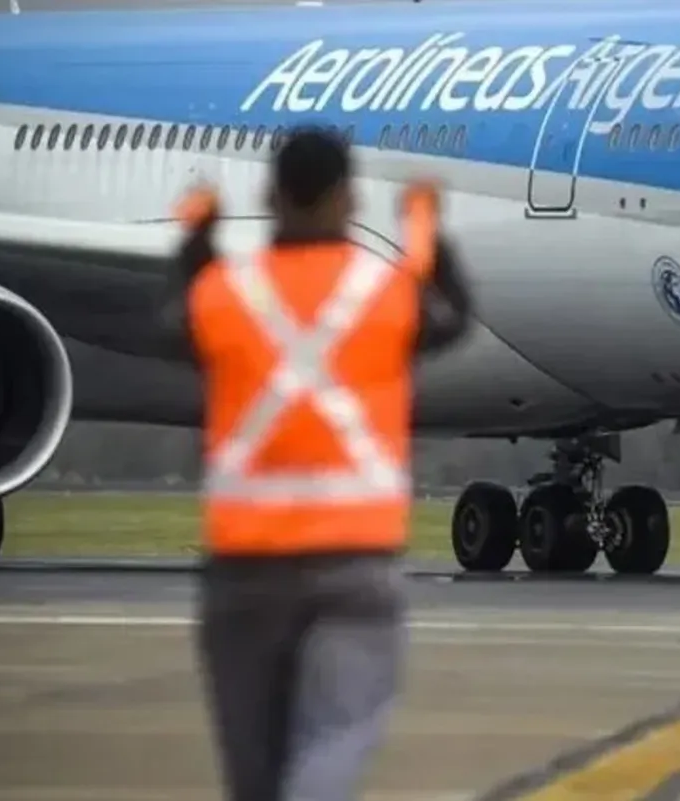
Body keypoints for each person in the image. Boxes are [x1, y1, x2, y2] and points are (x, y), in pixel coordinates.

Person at [160, 125, 473, 801]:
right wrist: (428, 232)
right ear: (349, 199)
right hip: (354, 563)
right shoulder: (383, 291)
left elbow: (175, 322)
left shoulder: (227, 290)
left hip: (245, 569)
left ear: (271, 195)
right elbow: (454, 316)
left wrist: (196, 240)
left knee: (253, 772)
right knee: (334, 738)